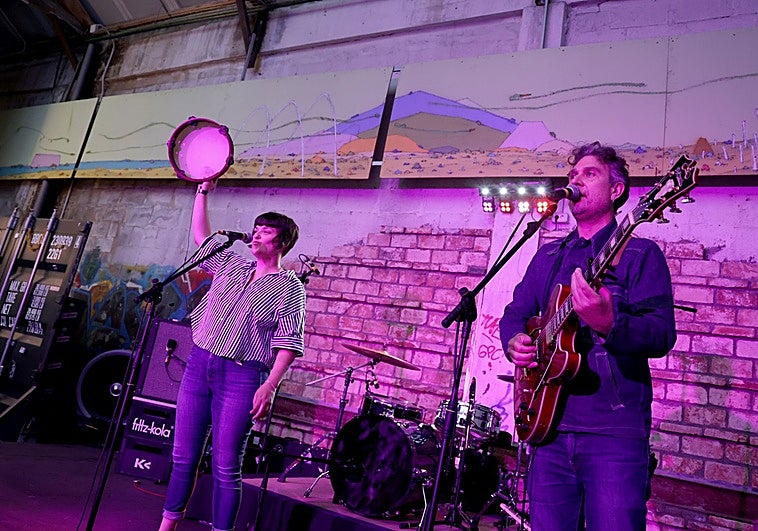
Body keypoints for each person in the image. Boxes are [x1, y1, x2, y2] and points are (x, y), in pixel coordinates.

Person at [499, 142, 676, 531]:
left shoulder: (640, 254)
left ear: (616, 190)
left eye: (590, 173)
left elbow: (662, 333)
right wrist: (513, 341)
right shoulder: (549, 255)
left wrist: (609, 324)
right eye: (573, 174)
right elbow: (516, 313)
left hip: (613, 434)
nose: (576, 180)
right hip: (548, 428)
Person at [159, 179, 306, 531]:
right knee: (183, 456)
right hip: (200, 363)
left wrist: (270, 385)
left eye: (265, 231)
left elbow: (288, 342)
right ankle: (166, 526)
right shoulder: (232, 265)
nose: (256, 235)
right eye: (255, 229)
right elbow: (202, 236)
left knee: (226, 466)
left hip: (243, 375)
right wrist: (203, 192)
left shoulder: (290, 287)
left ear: (282, 242)